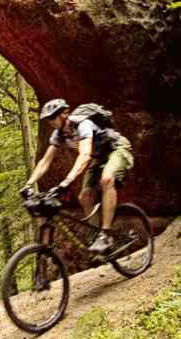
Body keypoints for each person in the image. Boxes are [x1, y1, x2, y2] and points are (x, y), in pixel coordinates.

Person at [20, 98, 134, 254]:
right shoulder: (58, 135)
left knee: (107, 179)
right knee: (85, 197)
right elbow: (45, 161)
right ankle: (96, 237)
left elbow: (85, 155)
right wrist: (28, 184)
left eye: (53, 117)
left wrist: (66, 181)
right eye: (48, 119)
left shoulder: (83, 124)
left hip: (117, 148)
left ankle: (106, 234)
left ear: (64, 114)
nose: (51, 122)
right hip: (98, 157)